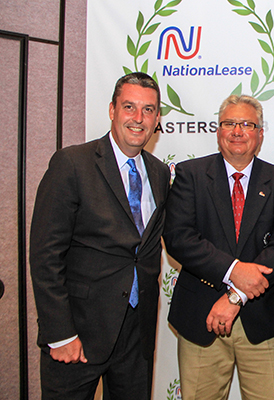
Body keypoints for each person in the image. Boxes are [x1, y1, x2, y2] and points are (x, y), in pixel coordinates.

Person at [30, 72, 171, 399]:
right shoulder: (72, 164)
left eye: (148, 110)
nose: (138, 119)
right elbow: (45, 255)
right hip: (78, 335)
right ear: (111, 110)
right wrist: (61, 334)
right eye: (129, 107)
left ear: (157, 118)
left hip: (136, 336)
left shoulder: (160, 173)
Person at [163, 94, 274, 400]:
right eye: (229, 123)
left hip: (261, 323)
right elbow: (179, 238)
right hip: (200, 320)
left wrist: (236, 296)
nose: (237, 131)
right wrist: (234, 271)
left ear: (260, 134)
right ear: (218, 130)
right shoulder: (190, 175)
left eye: (247, 124)